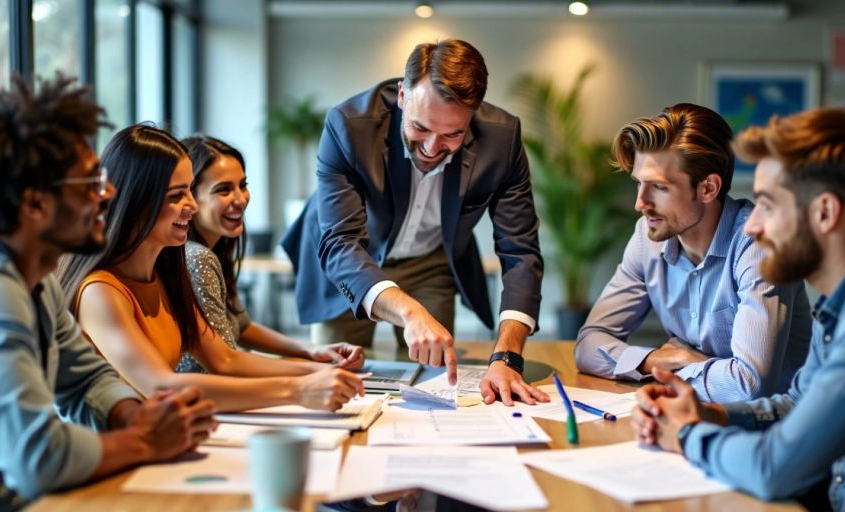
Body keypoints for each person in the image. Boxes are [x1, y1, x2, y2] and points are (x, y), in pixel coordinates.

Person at [631, 107, 845, 510]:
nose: (751, 226)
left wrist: (686, 433)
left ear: (825, 212)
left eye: (767, 205)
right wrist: (711, 414)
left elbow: (774, 468)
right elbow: (797, 405)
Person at [0, 75, 216, 511]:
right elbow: (37, 456)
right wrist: (144, 441)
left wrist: (136, 415)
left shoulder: (31, 269)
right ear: (35, 204)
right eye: (90, 184)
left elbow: (83, 377)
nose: (109, 193)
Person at [281, 38, 548, 405]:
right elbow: (340, 241)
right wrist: (408, 311)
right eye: (421, 128)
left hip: (431, 260)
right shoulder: (348, 125)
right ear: (403, 95)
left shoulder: (502, 139)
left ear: (473, 113)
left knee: (436, 385)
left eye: (452, 135)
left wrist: (507, 357)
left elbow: (520, 251)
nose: (431, 148)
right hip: (355, 259)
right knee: (337, 383)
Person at [58, 124, 364, 413]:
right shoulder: (101, 291)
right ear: (137, 202)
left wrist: (320, 370)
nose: (192, 205)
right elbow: (161, 386)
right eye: (177, 195)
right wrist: (299, 390)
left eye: (190, 190)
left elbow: (225, 359)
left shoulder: (168, 275)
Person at [574, 103, 812, 401]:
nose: (640, 203)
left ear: (709, 189)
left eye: (659, 187)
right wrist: (655, 361)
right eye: (638, 183)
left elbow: (749, 384)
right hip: (694, 417)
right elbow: (587, 345)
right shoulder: (647, 237)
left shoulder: (759, 243)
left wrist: (683, 368)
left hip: (772, 431)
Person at [175, 135, 364, 374]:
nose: (240, 199)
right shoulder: (198, 258)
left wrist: (309, 350)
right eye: (223, 190)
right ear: (191, 198)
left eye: (242, 185)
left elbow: (242, 327)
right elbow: (227, 363)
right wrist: (313, 369)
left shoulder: (215, 251)